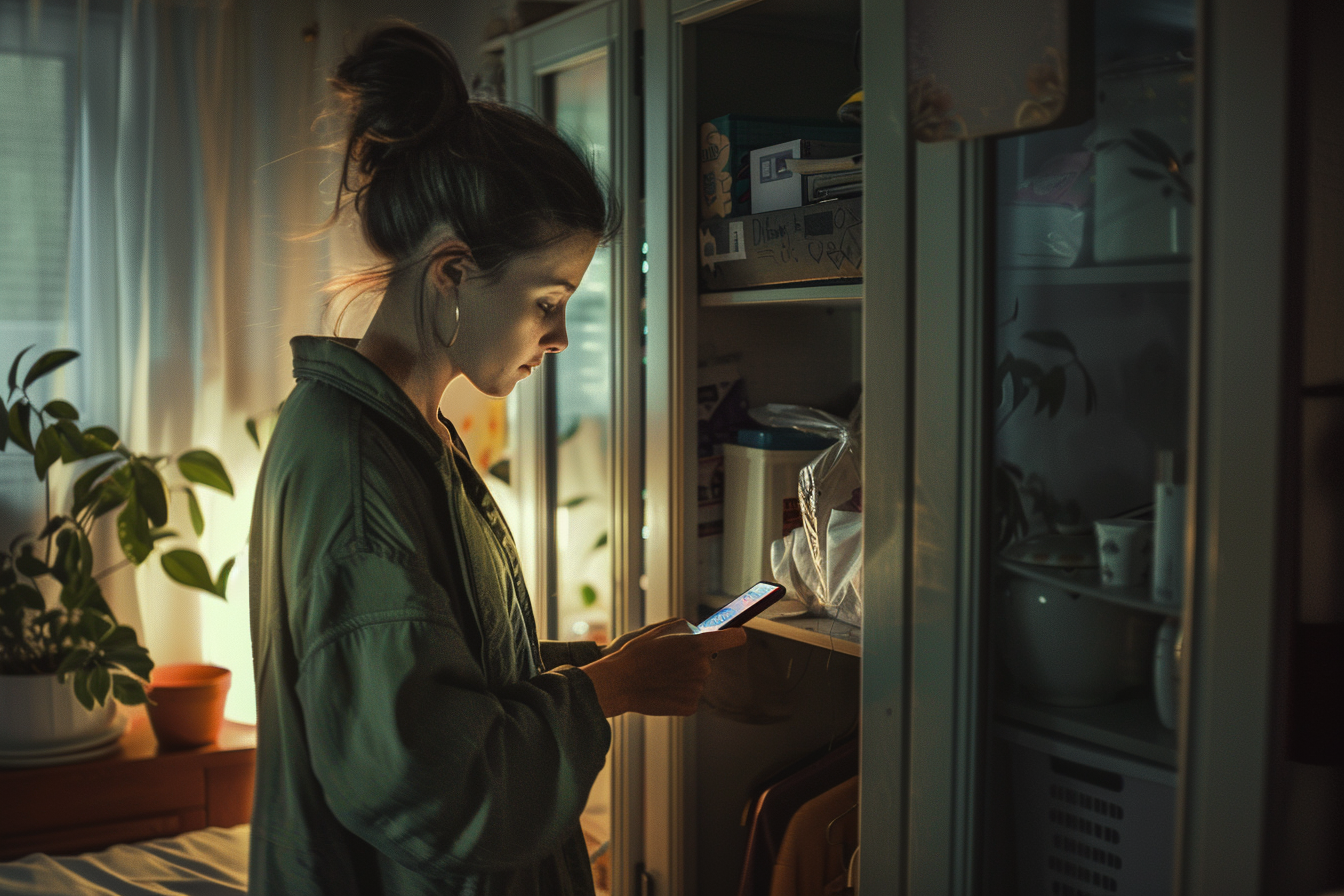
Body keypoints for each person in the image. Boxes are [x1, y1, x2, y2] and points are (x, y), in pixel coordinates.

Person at [247, 22, 746, 896]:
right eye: (546, 300)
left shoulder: (403, 429)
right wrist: (606, 694)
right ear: (451, 273)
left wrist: (591, 667)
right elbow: (437, 789)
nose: (556, 338)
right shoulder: (360, 472)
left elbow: (442, 675)